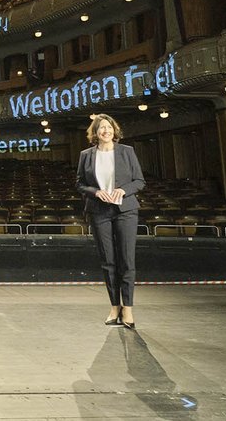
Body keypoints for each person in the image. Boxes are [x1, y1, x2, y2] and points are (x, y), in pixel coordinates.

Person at [76, 113, 145, 329]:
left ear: (114, 130)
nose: (106, 131)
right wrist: (96, 192)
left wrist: (123, 190)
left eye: (109, 127)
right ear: (95, 133)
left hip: (125, 210)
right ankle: (114, 306)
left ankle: (129, 309)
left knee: (127, 260)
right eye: (101, 128)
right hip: (99, 211)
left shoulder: (127, 151)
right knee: (108, 261)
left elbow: (139, 181)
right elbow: (79, 184)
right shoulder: (86, 155)